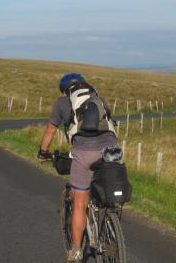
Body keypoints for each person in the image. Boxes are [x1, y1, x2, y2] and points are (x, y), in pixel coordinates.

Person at [38, 73, 118, 262]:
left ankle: (76, 250)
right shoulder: (99, 98)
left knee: (80, 203)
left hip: (84, 152)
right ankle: (109, 220)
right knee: (107, 189)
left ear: (65, 91)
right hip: (112, 149)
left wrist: (43, 151)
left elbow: (51, 129)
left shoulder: (62, 103)